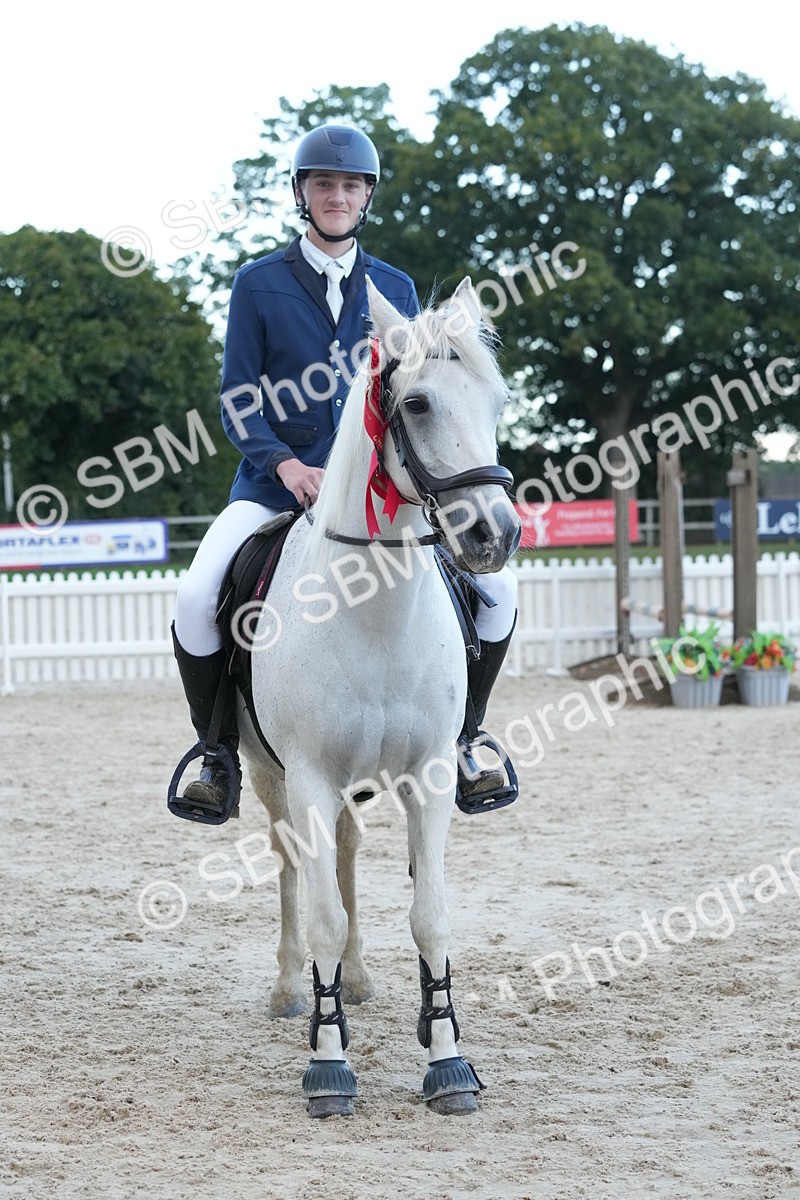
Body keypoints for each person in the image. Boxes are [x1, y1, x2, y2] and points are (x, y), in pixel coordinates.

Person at [170, 123, 517, 822]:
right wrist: (284, 463)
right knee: (195, 597)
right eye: (324, 184)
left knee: (499, 591)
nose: (337, 195)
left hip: (379, 495)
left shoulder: (393, 286)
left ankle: (469, 736)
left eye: (351, 185)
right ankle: (216, 751)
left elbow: (415, 399)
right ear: (302, 194)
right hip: (275, 486)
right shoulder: (257, 284)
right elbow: (238, 397)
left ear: (366, 197)